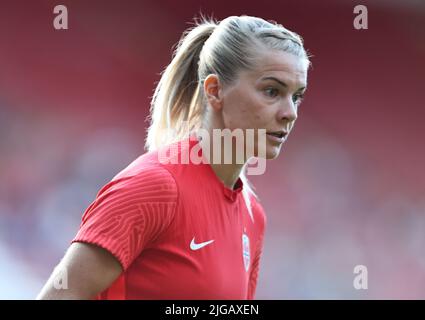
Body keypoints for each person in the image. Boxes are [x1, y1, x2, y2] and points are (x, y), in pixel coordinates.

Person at [37, 14, 310, 300]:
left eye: (296, 96)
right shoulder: (154, 187)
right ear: (215, 90)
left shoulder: (253, 215)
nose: (290, 112)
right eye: (272, 91)